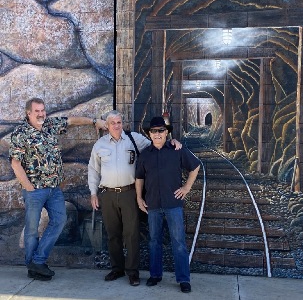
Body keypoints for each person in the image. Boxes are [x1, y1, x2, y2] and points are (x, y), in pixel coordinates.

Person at [9, 97, 106, 281]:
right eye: (37, 111)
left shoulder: (50, 125)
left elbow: (71, 120)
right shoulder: (20, 133)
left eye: (43, 110)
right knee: (31, 230)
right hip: (34, 191)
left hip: (54, 189)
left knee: (59, 220)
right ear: (28, 113)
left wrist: (94, 121)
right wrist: (29, 187)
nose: (41, 114)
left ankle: (37, 261)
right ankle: (34, 267)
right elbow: (15, 163)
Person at [88, 111, 181, 286]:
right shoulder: (99, 145)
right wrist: (93, 193)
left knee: (131, 234)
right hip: (107, 194)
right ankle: (117, 269)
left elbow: (157, 144)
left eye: (119, 122)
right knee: (113, 234)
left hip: (129, 193)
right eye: (113, 123)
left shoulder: (134, 139)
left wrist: (172, 142)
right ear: (107, 126)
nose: (116, 125)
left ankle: (132, 272)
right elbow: (93, 170)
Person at [135, 116, 201, 293]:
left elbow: (195, 167)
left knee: (178, 242)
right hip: (153, 205)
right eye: (154, 131)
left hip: (173, 205)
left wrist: (186, 187)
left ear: (166, 132)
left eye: (161, 131)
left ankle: (183, 279)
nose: (157, 134)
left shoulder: (177, 150)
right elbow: (139, 178)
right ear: (149, 134)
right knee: (154, 241)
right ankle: (155, 275)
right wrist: (139, 198)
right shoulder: (145, 155)